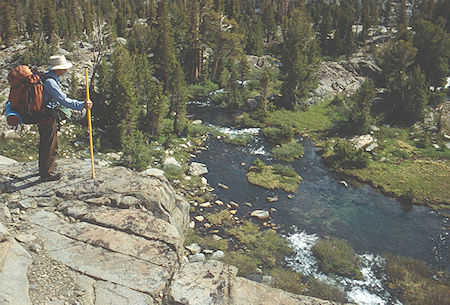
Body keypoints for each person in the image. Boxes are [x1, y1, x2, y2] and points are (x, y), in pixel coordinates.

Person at [39, 55, 92, 182]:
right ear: (58, 69)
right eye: (64, 68)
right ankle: (46, 174)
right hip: (47, 116)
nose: (66, 70)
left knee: (47, 143)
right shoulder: (50, 82)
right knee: (50, 145)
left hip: (44, 115)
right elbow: (63, 100)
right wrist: (81, 105)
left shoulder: (49, 79)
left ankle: (44, 170)